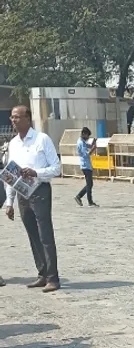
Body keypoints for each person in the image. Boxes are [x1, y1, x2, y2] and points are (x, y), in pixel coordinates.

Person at [4, 106, 61, 293]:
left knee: (45, 235)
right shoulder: (13, 144)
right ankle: (42, 273)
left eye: (17, 117)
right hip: (22, 193)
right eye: (12, 118)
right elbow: (9, 175)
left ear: (28, 118)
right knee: (33, 236)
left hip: (40, 190)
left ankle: (53, 277)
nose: (14, 121)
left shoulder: (42, 139)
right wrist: (9, 202)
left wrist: (36, 172)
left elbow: (56, 168)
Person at [75, 127, 98, 207]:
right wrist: (93, 149)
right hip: (85, 165)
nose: (88, 138)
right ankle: (88, 201)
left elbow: (88, 146)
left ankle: (80, 197)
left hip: (87, 165)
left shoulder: (82, 141)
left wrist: (93, 143)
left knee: (89, 184)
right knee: (89, 184)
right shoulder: (81, 143)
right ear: (84, 134)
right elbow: (86, 154)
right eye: (87, 136)